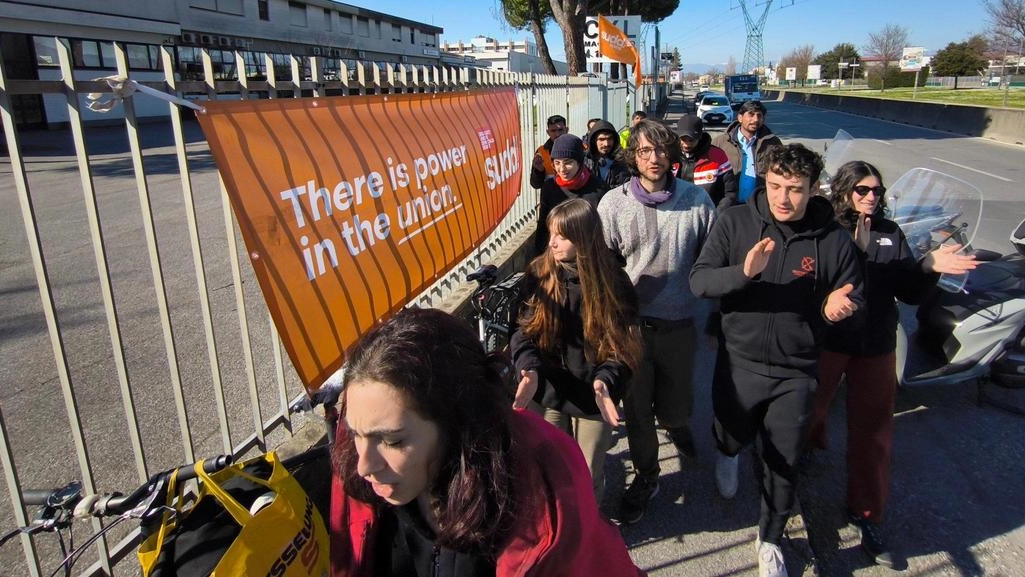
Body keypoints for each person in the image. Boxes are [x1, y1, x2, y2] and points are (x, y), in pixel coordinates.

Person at [330, 307, 645, 577]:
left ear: (456, 423)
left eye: (392, 441)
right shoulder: (355, 477)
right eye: (356, 433)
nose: (364, 466)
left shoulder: (548, 505)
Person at [689, 143, 864, 577]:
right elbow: (699, 282)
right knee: (730, 435)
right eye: (775, 186)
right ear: (764, 181)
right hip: (739, 362)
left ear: (813, 189)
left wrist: (834, 310)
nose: (784, 198)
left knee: (782, 463)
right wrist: (743, 273)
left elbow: (852, 293)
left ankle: (769, 539)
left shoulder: (833, 240)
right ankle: (727, 454)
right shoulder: (734, 221)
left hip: (797, 371)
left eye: (796, 189)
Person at [806, 161, 977, 568]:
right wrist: (856, 253)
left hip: (875, 344)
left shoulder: (889, 233)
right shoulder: (825, 230)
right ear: (845, 190)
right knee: (808, 410)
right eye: (862, 190)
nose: (870, 198)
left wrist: (929, 267)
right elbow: (814, 285)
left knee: (874, 432)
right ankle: (802, 455)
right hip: (828, 340)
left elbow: (910, 292)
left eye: (877, 191)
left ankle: (867, 513)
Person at [597, 119, 716, 525]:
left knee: (677, 406)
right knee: (638, 410)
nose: (653, 158)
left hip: (680, 324)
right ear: (633, 156)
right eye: (644, 151)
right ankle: (647, 475)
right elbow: (604, 269)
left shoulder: (698, 202)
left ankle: (677, 423)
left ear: (672, 154)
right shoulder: (612, 205)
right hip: (633, 328)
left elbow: (713, 260)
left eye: (660, 149)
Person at [511, 198, 643, 502]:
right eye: (551, 233)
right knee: (553, 470)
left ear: (584, 239)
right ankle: (561, 528)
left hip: (593, 396)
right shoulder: (539, 274)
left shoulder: (612, 281)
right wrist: (528, 367)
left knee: (587, 471)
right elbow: (522, 330)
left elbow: (622, 346)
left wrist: (605, 381)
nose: (552, 243)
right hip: (552, 392)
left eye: (562, 236)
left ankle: (589, 531)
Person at [532, 133, 607, 256]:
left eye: (568, 162)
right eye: (557, 163)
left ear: (579, 161)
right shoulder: (550, 187)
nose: (562, 169)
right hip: (557, 257)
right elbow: (543, 228)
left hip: (590, 258)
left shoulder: (599, 189)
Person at [712, 100, 782, 204]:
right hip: (728, 205)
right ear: (740, 118)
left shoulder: (773, 143)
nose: (755, 119)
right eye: (751, 115)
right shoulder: (721, 142)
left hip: (760, 205)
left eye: (759, 116)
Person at [673, 114, 738, 210]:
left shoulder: (718, 156)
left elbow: (729, 193)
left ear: (700, 137)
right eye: (683, 139)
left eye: (691, 140)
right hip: (675, 214)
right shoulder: (669, 155)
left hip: (708, 216)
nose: (686, 144)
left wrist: (717, 215)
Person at [585, 120, 631, 190]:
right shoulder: (585, 162)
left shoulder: (623, 161)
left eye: (609, 139)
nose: (606, 144)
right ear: (594, 141)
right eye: (601, 139)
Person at [529, 114, 567, 189]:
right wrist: (539, 171)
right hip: (550, 198)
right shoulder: (541, 152)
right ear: (548, 132)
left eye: (560, 130)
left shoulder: (576, 148)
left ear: (566, 130)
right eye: (553, 131)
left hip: (572, 198)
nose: (557, 134)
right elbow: (536, 185)